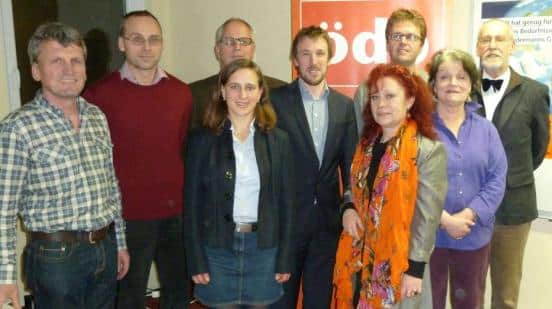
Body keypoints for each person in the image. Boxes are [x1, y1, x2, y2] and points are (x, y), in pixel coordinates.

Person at [0, 22, 128, 309]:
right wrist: (4, 276)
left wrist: (119, 243)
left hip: (104, 248)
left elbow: (111, 186)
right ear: (36, 71)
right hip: (55, 258)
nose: (68, 69)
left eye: (75, 60)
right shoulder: (17, 128)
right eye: (56, 61)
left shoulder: (97, 117)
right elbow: (3, 209)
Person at [83, 10, 192, 309]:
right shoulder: (99, 96)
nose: (147, 47)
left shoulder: (181, 93)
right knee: (128, 298)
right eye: (137, 39)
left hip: (177, 215)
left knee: (178, 294)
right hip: (127, 219)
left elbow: (179, 147)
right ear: (121, 43)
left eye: (154, 39)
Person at [333, 64, 447, 309]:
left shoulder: (427, 149)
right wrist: (348, 208)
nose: (381, 104)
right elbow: (353, 187)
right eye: (375, 97)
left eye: (390, 96)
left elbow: (427, 217)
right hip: (361, 264)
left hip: (402, 269)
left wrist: (414, 270)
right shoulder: (366, 145)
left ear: (410, 100)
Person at [184, 59, 294, 308]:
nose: (242, 95)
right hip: (216, 251)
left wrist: (285, 257)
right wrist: (196, 260)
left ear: (261, 92)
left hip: (264, 251)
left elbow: (287, 205)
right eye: (234, 87)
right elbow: (191, 206)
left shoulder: (279, 141)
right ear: (222, 91)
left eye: (250, 87)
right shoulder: (201, 140)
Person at [269, 26, 358, 309]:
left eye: (320, 53)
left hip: (326, 226)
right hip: (287, 225)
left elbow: (350, 166)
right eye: (305, 54)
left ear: (329, 58)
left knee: (319, 302)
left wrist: (349, 205)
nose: (313, 61)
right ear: (295, 60)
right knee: (280, 302)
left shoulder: (344, 107)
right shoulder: (275, 102)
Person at [473, 19, 550, 309]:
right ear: (478, 47)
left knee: (506, 295)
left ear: (512, 45)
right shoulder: (462, 89)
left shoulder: (535, 92)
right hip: (468, 210)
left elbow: (537, 151)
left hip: (514, 209)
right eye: (486, 39)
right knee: (468, 290)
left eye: (500, 39)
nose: (492, 45)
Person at [427, 49, 507, 309]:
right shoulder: (418, 129)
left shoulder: (487, 130)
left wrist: (470, 214)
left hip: (473, 236)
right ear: (433, 85)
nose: (453, 83)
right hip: (429, 239)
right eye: (444, 77)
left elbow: (497, 179)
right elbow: (410, 182)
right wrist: (444, 219)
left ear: (471, 85)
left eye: (461, 77)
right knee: (429, 304)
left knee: (470, 304)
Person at [189, 17, 286, 130]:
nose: (237, 47)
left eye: (244, 41)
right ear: (217, 50)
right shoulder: (193, 95)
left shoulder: (280, 91)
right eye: (229, 41)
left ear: (253, 49)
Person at [353, 8, 428, 134]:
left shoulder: (433, 86)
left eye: (411, 37)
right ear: (387, 44)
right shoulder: (367, 89)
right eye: (397, 36)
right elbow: (359, 139)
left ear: (421, 46)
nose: (403, 42)